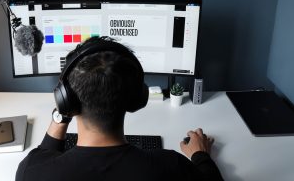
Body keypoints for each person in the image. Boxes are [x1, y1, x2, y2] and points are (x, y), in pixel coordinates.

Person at [16, 36, 223, 181]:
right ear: (137, 99)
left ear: (66, 100)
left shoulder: (32, 172)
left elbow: (43, 154)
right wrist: (200, 155)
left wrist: (62, 113)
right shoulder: (171, 167)